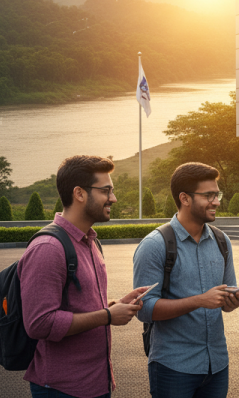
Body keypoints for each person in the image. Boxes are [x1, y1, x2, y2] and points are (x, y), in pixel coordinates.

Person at [18, 155, 149, 398]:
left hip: (96, 383)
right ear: (79, 193)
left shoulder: (90, 242)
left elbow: (78, 306)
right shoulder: (48, 248)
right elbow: (39, 323)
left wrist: (115, 305)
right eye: (106, 190)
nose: (113, 198)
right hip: (61, 388)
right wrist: (107, 316)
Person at [133, 162, 239, 398]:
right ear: (185, 198)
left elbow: (224, 299)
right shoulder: (154, 245)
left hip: (217, 364)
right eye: (209, 195)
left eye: (217, 194)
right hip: (173, 366)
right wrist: (199, 300)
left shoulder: (223, 242)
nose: (216, 201)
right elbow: (144, 309)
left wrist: (231, 302)